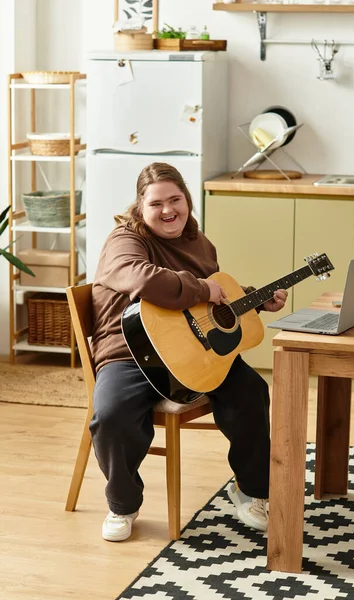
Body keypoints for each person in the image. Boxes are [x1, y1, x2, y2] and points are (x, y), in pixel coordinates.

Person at [90, 162, 288, 542]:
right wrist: (200, 289)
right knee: (112, 414)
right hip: (130, 353)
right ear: (140, 207)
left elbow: (211, 302)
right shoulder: (125, 240)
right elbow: (140, 276)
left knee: (250, 391)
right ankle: (123, 503)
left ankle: (250, 489)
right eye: (156, 203)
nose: (168, 210)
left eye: (175, 200)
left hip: (196, 353)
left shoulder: (200, 242)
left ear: (188, 200)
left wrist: (257, 300)